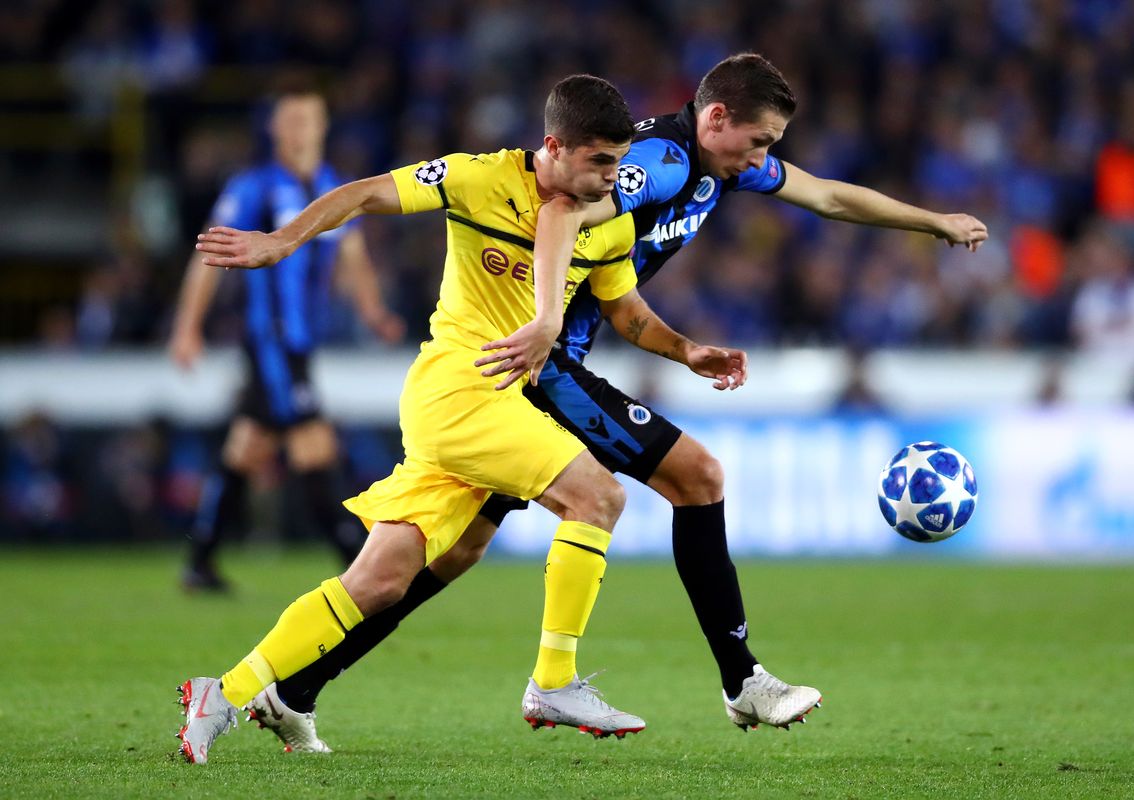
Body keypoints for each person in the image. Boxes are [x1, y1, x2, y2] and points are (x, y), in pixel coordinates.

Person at [250, 53, 987, 754]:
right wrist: (544, 325)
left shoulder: (721, 169)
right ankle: (741, 681)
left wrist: (934, 221)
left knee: (453, 551)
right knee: (696, 477)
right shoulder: (658, 161)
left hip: (549, 361)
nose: (763, 157)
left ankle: (298, 685)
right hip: (544, 367)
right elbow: (562, 212)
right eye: (757, 141)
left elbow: (827, 195)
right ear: (717, 117)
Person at [175, 74, 751, 764]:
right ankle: (554, 681)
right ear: (553, 147)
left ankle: (225, 691)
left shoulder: (608, 218)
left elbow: (626, 310)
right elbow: (363, 194)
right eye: (598, 162)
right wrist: (282, 240)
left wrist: (689, 351)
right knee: (597, 496)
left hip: (495, 404)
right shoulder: (478, 178)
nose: (613, 178)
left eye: (618, 162)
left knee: (380, 579)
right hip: (457, 388)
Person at [169, 87, 404, 591]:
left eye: (308, 120)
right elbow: (207, 257)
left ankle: (200, 558)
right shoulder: (253, 187)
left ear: (323, 127)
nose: (299, 130)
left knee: (248, 447)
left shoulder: (329, 186)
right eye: (290, 121)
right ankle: (356, 562)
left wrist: (373, 311)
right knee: (312, 441)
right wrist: (187, 328)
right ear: (275, 129)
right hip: (270, 339)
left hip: (301, 342)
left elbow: (353, 256)